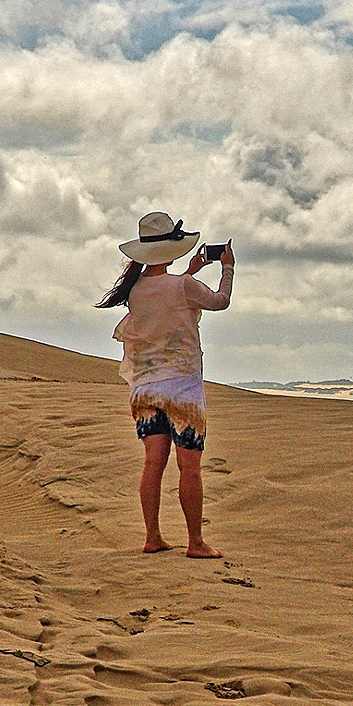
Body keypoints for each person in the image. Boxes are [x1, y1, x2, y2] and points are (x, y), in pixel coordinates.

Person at [97, 211, 235, 556]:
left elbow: (169, 296)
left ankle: (153, 537)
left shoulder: (136, 290)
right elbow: (219, 301)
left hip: (145, 389)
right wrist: (227, 268)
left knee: (152, 465)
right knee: (189, 467)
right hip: (182, 390)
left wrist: (190, 271)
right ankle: (196, 542)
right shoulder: (182, 286)